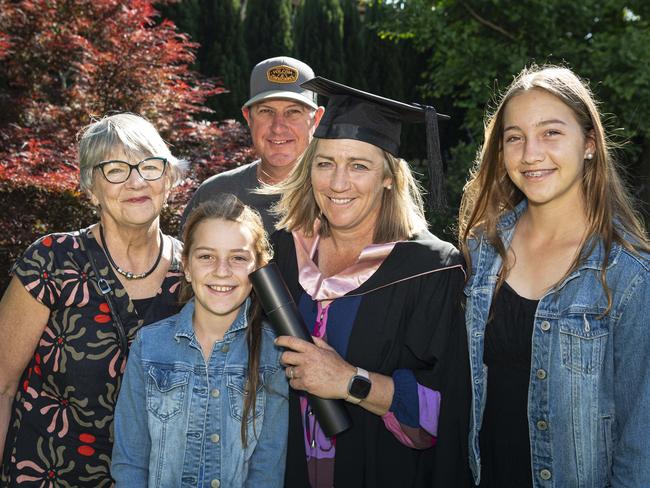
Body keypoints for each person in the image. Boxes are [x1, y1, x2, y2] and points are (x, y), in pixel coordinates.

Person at [269, 77, 471, 487]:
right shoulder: (282, 253)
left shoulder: (432, 269)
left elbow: (451, 408)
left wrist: (350, 381)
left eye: (358, 165)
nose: (338, 183)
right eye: (325, 163)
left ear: (389, 177)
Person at [459, 65, 650, 487]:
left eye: (550, 133)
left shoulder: (629, 277)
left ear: (589, 144)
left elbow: (641, 450)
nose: (530, 154)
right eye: (515, 137)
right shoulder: (481, 252)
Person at [0, 113, 186, 485]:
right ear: (90, 186)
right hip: (44, 475)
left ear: (168, 180)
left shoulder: (195, 274)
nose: (136, 180)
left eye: (150, 166)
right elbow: (1, 385)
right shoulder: (52, 260)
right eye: (115, 169)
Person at [111, 195, 288, 487]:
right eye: (206, 256)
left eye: (238, 258)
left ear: (258, 269)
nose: (222, 270)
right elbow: (130, 460)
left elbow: (268, 468)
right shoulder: (149, 345)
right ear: (187, 267)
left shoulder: (274, 353)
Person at [181, 56, 325, 235]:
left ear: (316, 119)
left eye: (293, 112)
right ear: (248, 117)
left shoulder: (337, 195)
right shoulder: (214, 194)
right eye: (266, 111)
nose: (278, 127)